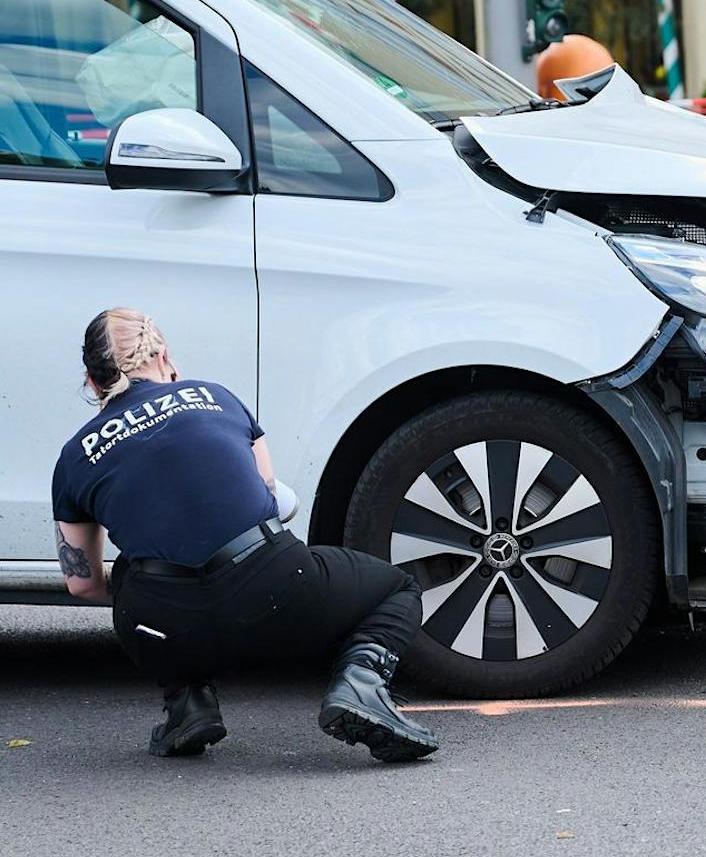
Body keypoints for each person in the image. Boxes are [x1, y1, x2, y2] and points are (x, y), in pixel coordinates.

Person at [51, 309, 439, 762]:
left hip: (165, 624)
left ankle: (188, 702)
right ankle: (361, 684)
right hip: (273, 592)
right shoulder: (215, 398)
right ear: (165, 357)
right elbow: (270, 500)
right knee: (397, 589)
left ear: (92, 383)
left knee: (132, 571)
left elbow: (81, 583)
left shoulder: (75, 455)